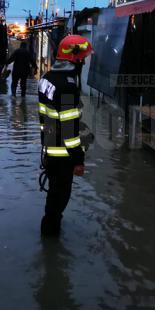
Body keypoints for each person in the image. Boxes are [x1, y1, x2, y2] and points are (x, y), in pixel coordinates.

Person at [38, 35, 93, 236]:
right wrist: (78, 160)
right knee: (59, 200)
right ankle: (50, 244)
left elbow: (49, 117)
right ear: (75, 58)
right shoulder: (68, 86)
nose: (84, 62)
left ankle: (50, 234)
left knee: (53, 196)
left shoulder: (47, 77)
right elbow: (69, 131)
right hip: (62, 153)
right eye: (83, 58)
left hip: (49, 146)